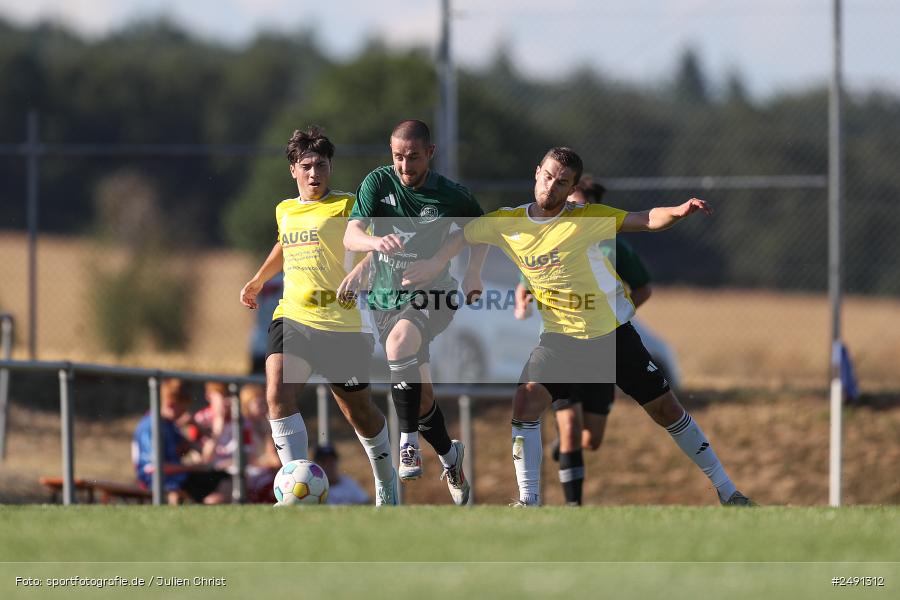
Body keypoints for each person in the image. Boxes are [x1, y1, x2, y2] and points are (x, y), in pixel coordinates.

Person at [410, 146, 754, 507]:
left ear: (572, 187)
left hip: (610, 336)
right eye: (548, 177)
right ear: (536, 173)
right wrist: (439, 264)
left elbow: (645, 218)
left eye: (562, 183)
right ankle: (528, 502)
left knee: (666, 410)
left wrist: (680, 211)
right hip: (560, 339)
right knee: (526, 403)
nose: (551, 187)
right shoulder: (506, 221)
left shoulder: (585, 219)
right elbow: (463, 235)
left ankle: (728, 491)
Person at [239, 126, 398, 506]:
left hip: (342, 325)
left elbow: (386, 242)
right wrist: (259, 280)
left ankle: (386, 480)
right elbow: (284, 244)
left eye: (322, 165)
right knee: (277, 392)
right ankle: (295, 489)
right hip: (292, 317)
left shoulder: (349, 206)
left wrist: (363, 270)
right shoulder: (285, 209)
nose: (315, 173)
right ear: (293, 169)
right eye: (307, 165)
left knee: (357, 409)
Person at [343, 119, 487, 505]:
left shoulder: (450, 194)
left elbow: (479, 229)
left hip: (434, 295)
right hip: (386, 299)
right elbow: (350, 233)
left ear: (431, 153)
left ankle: (407, 444)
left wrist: (463, 268)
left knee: (398, 344)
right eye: (398, 157)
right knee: (421, 396)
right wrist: (373, 246)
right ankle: (449, 455)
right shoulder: (378, 182)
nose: (405, 166)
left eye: (414, 157)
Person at [513, 176, 654, 505]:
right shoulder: (548, 238)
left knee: (591, 439)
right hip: (563, 344)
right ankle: (573, 508)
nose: (568, 209)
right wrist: (523, 300)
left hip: (603, 347)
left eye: (576, 204)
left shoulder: (613, 243)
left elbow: (644, 287)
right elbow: (527, 279)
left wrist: (616, 315)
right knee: (571, 428)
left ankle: (562, 448)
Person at [131, 378, 231, 505]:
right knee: (220, 483)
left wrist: (198, 428)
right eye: (182, 410)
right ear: (170, 405)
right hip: (157, 479)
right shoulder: (151, 426)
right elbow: (154, 467)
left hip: (176, 476)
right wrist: (191, 467)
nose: (184, 414)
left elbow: (188, 447)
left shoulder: (169, 425)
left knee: (221, 478)